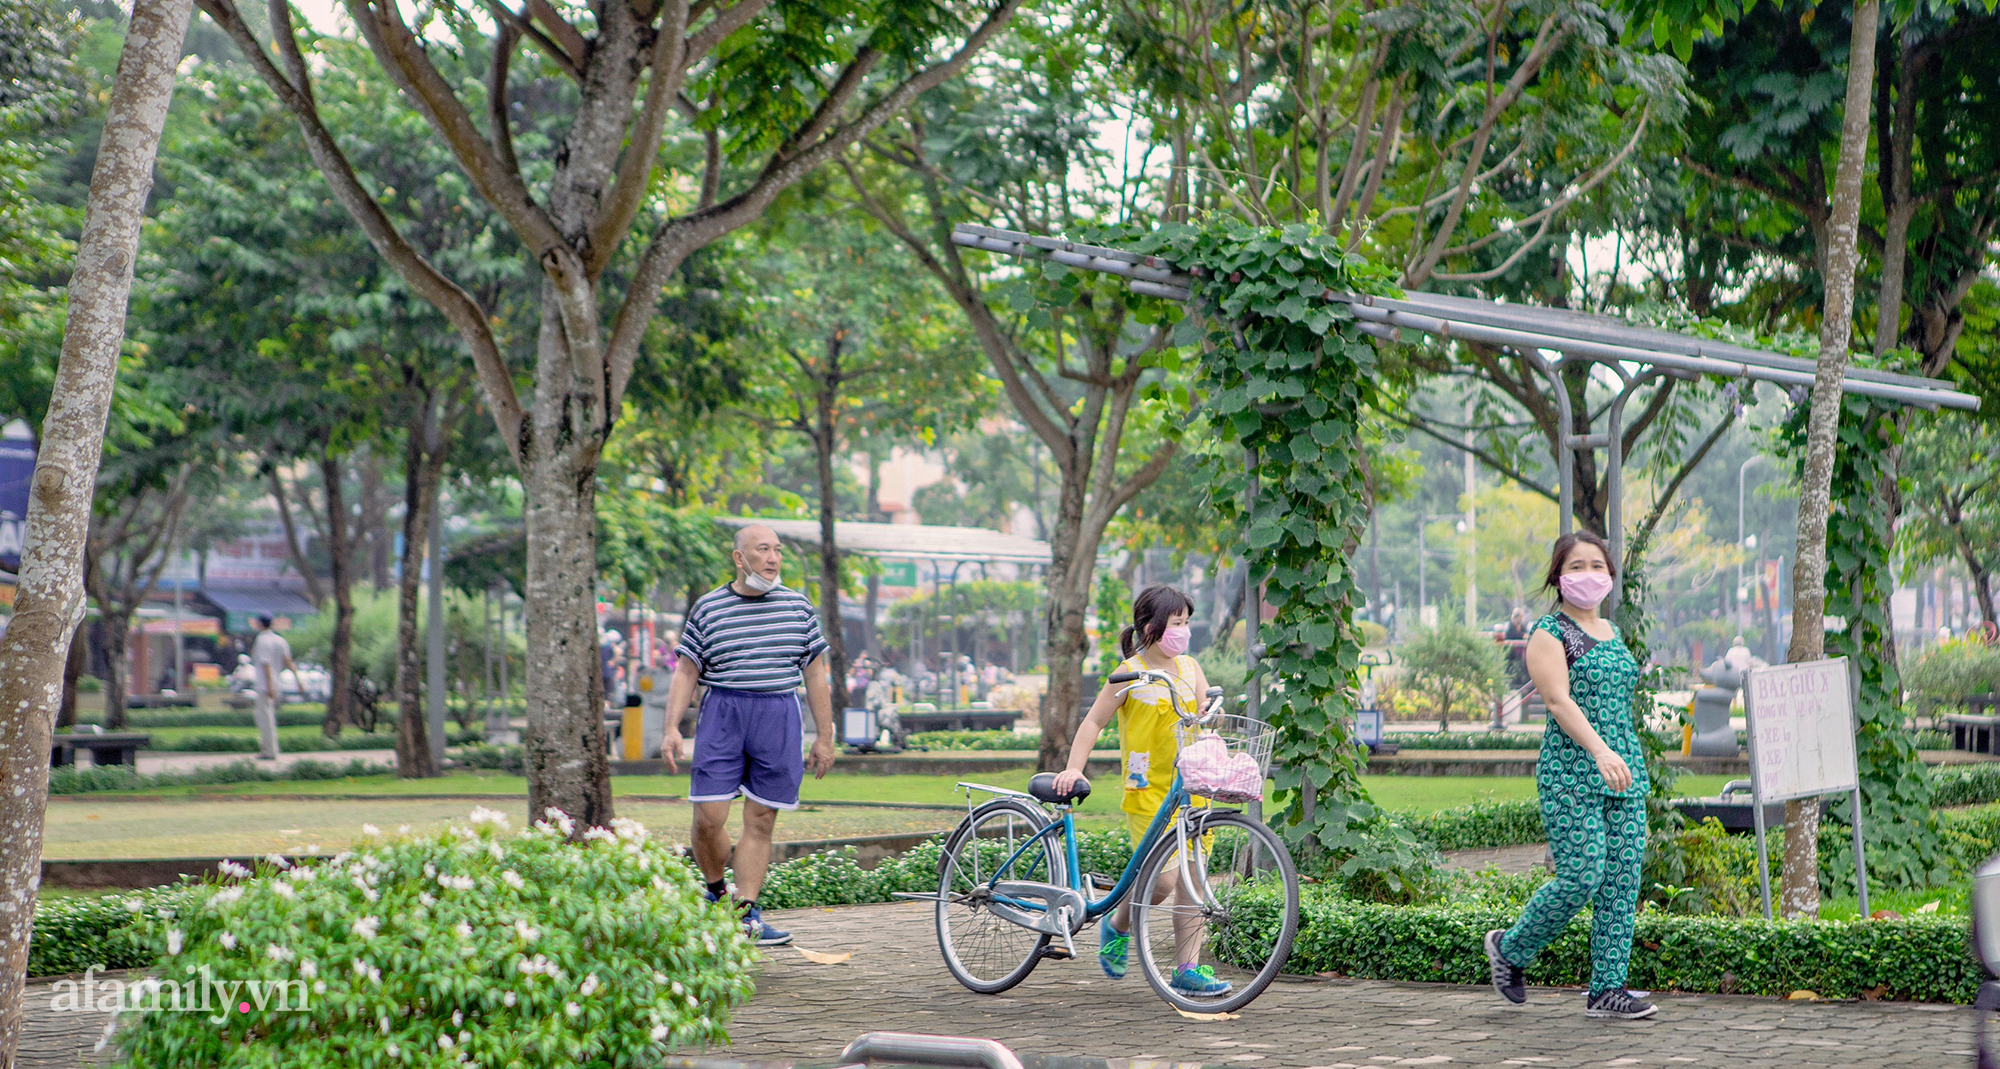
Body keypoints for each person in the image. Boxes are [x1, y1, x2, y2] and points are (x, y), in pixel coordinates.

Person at [1484, 531, 1655, 1019]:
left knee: (1621, 882)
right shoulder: (1549, 633)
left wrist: (1617, 754)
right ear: (1559, 576)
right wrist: (1600, 750)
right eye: (1577, 566)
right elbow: (1558, 701)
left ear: (1611, 575)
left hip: (1624, 773)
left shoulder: (1614, 633)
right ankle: (1510, 949)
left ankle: (1607, 990)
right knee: (1582, 875)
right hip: (1571, 773)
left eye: (1598, 566)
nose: (1589, 575)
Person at [661, 523, 836, 947]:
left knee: (761, 819)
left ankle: (746, 914)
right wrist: (670, 729)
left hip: (778, 713)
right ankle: (717, 891)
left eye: (777, 550)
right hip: (723, 711)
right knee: (708, 818)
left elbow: (815, 675)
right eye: (763, 550)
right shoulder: (708, 608)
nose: (773, 558)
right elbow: (687, 670)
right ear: (740, 558)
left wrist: (825, 736)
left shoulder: (798, 607)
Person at [1051, 585, 1229, 998]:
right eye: (1175, 623)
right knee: (1162, 881)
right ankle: (1118, 925)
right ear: (1150, 627)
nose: (1182, 631)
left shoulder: (1190, 668)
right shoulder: (1128, 673)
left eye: (1186, 622)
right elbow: (1093, 722)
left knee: (1193, 881)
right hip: (1147, 790)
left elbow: (1202, 717)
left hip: (1192, 788)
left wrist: (1209, 717)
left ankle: (1188, 969)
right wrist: (1073, 768)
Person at [248, 613, 297, 761]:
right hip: (276, 682)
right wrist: (298, 680)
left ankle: (269, 751)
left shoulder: (262, 641)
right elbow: (288, 661)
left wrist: (269, 686)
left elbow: (266, 664)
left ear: (260, 624)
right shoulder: (279, 640)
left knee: (265, 718)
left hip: (265, 685)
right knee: (267, 716)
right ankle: (270, 749)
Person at [1503, 606, 1531, 689]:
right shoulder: (1510, 626)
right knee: (1512, 667)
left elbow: (1526, 633)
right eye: (1520, 617)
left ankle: (1525, 681)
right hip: (1511, 653)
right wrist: (1523, 636)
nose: (1521, 619)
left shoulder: (1521, 626)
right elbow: (1514, 635)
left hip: (1521, 653)